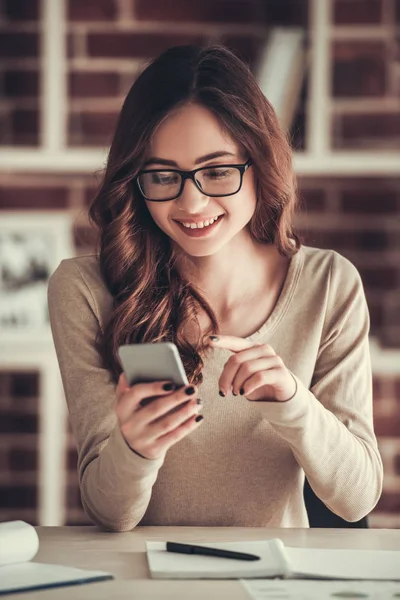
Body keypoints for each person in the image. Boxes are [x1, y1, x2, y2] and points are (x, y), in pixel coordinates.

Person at [47, 44, 383, 532]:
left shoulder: (329, 285)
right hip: (143, 579)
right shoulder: (83, 291)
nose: (191, 201)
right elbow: (108, 513)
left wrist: (292, 402)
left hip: (274, 581)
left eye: (218, 171)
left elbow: (357, 500)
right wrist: (136, 449)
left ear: (260, 162)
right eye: (163, 176)